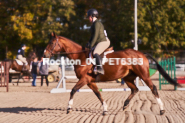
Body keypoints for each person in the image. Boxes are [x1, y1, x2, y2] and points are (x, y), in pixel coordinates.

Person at [86, 9, 110, 74]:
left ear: (92, 16)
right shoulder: (94, 24)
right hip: (100, 41)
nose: (88, 19)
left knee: (95, 53)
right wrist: (89, 43)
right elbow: (92, 36)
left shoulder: (97, 23)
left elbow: (96, 35)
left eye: (89, 17)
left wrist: (91, 44)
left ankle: (100, 68)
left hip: (103, 41)